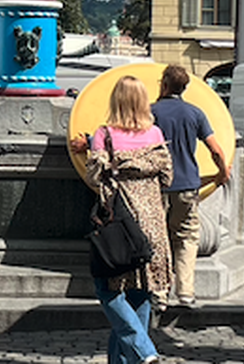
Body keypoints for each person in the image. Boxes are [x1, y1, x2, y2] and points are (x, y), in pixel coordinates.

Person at [69, 75, 171, 364]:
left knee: (107, 287)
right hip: (152, 223)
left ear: (115, 101)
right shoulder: (156, 134)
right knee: (139, 291)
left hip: (119, 223)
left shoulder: (105, 135)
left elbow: (93, 176)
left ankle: (144, 350)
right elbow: (168, 177)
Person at [150, 63, 231, 309]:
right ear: (184, 87)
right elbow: (216, 149)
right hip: (187, 185)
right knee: (186, 236)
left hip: (157, 185)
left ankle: (159, 293)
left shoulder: (151, 112)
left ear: (164, 85)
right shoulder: (195, 113)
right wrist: (222, 172)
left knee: (158, 237)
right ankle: (186, 293)